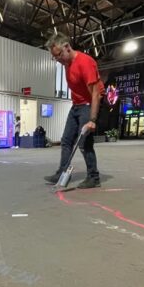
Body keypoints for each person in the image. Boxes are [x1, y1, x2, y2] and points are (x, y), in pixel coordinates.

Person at [44, 32, 103, 188]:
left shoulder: (85, 62)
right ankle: (62, 173)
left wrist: (92, 120)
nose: (58, 60)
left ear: (67, 47)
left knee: (84, 142)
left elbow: (96, 93)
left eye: (58, 55)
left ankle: (93, 177)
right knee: (66, 140)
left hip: (89, 104)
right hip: (76, 105)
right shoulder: (67, 64)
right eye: (54, 57)